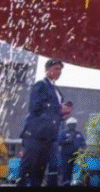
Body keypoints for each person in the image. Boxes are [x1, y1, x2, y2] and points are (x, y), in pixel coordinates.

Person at [19, 59, 64, 187]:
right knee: (27, 170)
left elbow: (54, 114)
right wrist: (58, 107)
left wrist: (64, 112)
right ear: (47, 70)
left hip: (48, 137)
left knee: (39, 172)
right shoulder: (40, 85)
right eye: (56, 69)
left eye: (60, 70)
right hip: (35, 135)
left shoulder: (57, 91)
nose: (59, 72)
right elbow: (35, 107)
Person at [57, 117, 87, 185]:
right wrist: (66, 141)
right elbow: (59, 142)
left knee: (76, 172)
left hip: (76, 157)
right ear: (68, 125)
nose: (73, 126)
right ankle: (66, 183)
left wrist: (82, 148)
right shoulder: (64, 133)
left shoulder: (78, 134)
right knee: (66, 172)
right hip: (66, 157)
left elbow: (83, 143)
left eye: (74, 124)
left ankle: (75, 183)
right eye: (71, 124)